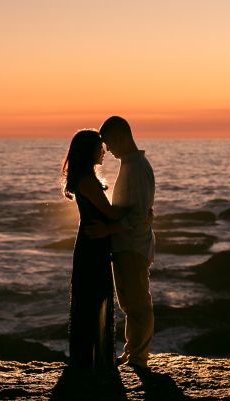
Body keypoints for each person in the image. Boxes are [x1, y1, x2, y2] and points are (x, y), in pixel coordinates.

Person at [89, 116, 155, 370]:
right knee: (130, 303)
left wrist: (108, 228)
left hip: (133, 246)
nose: (107, 149)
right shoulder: (131, 165)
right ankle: (132, 352)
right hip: (129, 245)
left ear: (121, 137)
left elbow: (137, 217)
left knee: (137, 304)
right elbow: (136, 211)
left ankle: (138, 357)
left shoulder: (136, 167)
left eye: (109, 143)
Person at [61, 129, 128, 374]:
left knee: (93, 299)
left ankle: (91, 360)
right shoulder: (87, 181)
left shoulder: (86, 178)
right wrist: (135, 213)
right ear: (88, 151)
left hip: (92, 245)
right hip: (92, 247)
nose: (104, 151)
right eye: (99, 147)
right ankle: (93, 362)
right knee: (94, 299)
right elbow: (110, 213)